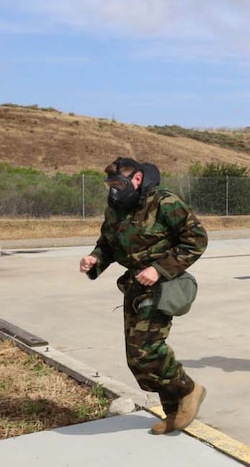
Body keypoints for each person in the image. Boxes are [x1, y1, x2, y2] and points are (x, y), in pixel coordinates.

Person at [79, 157, 208, 435]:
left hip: (162, 285)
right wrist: (94, 259)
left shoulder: (164, 202)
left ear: (136, 179)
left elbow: (196, 238)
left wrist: (159, 269)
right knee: (135, 358)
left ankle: (189, 390)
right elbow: (108, 244)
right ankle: (173, 412)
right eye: (110, 184)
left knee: (148, 349)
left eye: (118, 183)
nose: (113, 190)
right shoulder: (115, 210)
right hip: (135, 285)